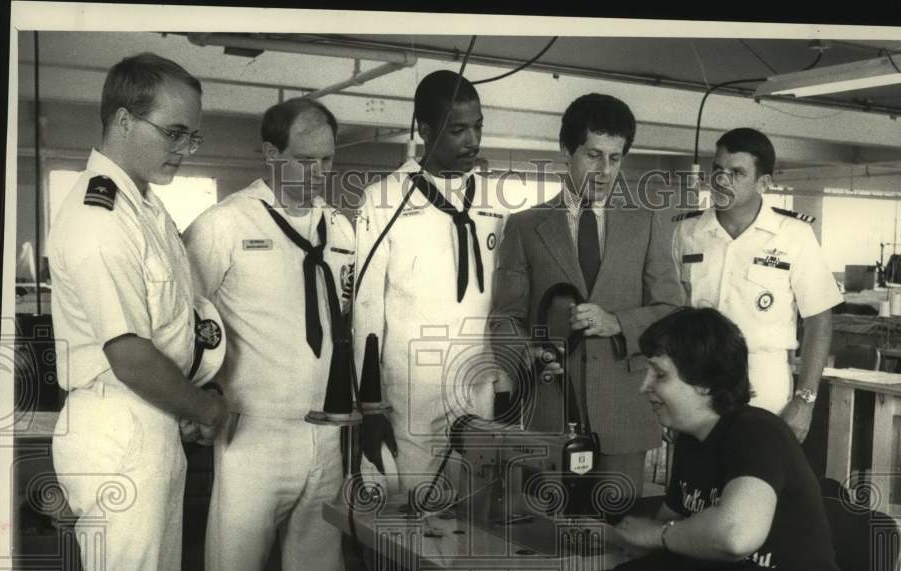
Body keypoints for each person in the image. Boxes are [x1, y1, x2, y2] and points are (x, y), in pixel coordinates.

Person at [498, 307, 852, 571]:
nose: (644, 386)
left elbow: (735, 535)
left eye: (660, 374)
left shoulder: (757, 431)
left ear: (705, 382)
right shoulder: (692, 440)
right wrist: (615, 537)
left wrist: (655, 536)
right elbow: (674, 522)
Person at [48, 53, 228, 571]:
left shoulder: (143, 206)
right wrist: (204, 407)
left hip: (149, 421)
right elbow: (128, 355)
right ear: (124, 121)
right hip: (118, 424)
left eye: (192, 134)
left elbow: (177, 325)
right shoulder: (100, 218)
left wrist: (190, 397)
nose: (187, 147)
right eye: (174, 132)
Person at [183, 97, 355, 571]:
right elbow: (182, 324)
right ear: (270, 154)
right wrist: (197, 399)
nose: (318, 174)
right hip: (253, 434)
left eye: (327, 161)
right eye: (305, 161)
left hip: (325, 437)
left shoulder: (343, 229)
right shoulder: (223, 226)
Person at [490, 93, 684, 499]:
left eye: (615, 158)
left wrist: (618, 323)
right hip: (550, 409)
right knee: (547, 533)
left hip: (625, 413)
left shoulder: (647, 223)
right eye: (593, 155)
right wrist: (531, 353)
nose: (604, 170)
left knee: (620, 537)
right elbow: (504, 318)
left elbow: (671, 310)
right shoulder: (526, 228)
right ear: (567, 151)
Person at [354, 70, 513, 493]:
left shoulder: (495, 201)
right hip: (411, 391)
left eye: (478, 127)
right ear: (424, 130)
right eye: (458, 130)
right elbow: (366, 310)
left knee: (476, 510)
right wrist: (369, 406)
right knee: (417, 514)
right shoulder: (383, 199)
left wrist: (505, 377)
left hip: (477, 383)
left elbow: (503, 300)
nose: (472, 141)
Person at [671, 128, 842, 441]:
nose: (722, 181)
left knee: (758, 477)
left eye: (737, 173)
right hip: (695, 379)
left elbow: (819, 321)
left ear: (764, 182)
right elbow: (669, 316)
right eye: (718, 170)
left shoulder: (794, 235)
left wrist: (804, 401)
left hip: (765, 381)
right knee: (695, 481)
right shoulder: (685, 233)